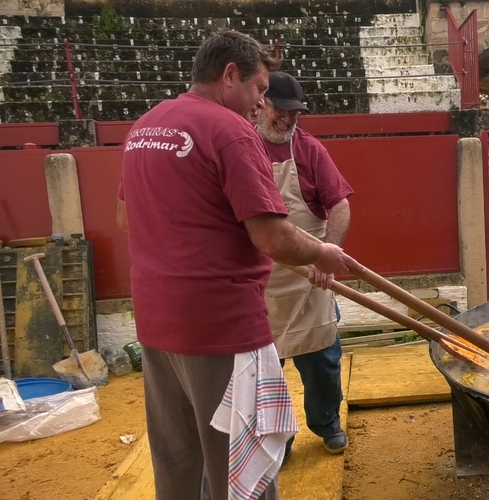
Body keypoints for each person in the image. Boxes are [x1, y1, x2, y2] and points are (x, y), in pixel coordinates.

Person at [115, 29, 360, 500]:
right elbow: (271, 235)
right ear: (230, 76)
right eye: (259, 90)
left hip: (156, 319)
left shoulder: (147, 125)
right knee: (238, 464)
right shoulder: (230, 131)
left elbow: (127, 218)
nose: (260, 104)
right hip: (219, 324)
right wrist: (325, 253)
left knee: (178, 456)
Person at [255, 72, 354, 457]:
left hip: (310, 276)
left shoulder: (310, 150)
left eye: (295, 113)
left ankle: (326, 421)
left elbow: (340, 204)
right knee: (265, 375)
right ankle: (280, 438)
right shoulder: (240, 147)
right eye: (281, 110)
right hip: (262, 280)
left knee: (323, 361)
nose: (288, 119)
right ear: (261, 104)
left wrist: (328, 253)